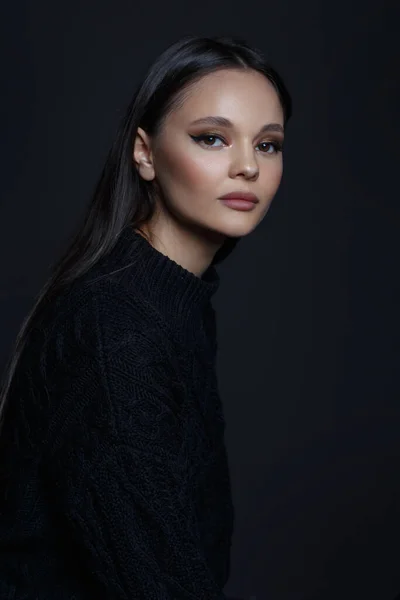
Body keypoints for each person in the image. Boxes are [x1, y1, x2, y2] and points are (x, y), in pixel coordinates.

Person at [0, 34, 292, 599]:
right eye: (212, 138)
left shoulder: (167, 297)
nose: (246, 167)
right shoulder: (118, 328)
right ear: (145, 152)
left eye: (269, 145)